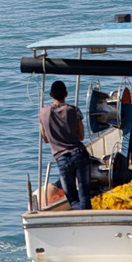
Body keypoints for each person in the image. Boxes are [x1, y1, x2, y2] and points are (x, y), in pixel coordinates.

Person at [39, 80, 91, 210]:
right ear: (66, 94)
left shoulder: (43, 113)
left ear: (51, 95)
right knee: (84, 196)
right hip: (79, 155)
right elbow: (82, 136)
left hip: (62, 159)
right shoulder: (73, 110)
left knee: (72, 199)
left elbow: (45, 138)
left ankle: (78, 221)